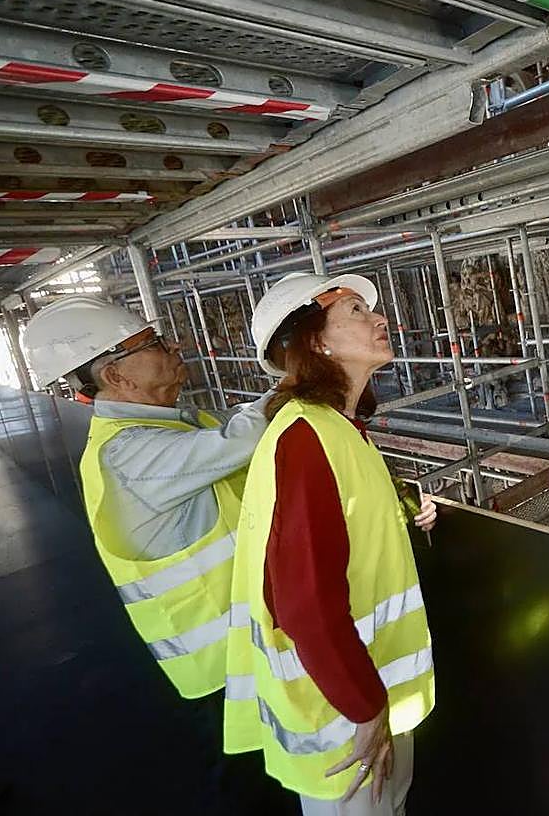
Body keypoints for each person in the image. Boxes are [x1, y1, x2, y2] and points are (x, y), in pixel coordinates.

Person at [21, 296, 290, 811]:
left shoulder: (173, 426)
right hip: (225, 665)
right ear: (116, 376)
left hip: (255, 648)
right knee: (260, 787)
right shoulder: (129, 454)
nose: (173, 348)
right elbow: (248, 437)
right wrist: (302, 376)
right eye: (154, 343)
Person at [225, 272, 438, 816]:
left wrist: (406, 509)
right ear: (315, 342)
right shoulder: (305, 438)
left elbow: (347, 524)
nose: (380, 319)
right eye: (356, 314)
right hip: (340, 711)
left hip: (365, 691)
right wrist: (364, 708)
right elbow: (302, 603)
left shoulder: (338, 428)